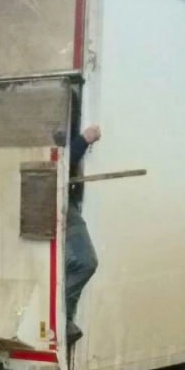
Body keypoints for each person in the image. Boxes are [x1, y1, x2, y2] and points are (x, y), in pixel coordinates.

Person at [65, 124, 101, 343]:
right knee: (86, 262)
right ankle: (59, 315)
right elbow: (55, 163)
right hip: (51, 201)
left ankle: (62, 316)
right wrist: (83, 140)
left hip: (54, 200)